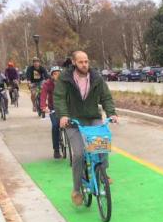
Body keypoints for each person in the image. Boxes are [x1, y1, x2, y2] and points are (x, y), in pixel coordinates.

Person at [55, 51, 118, 206]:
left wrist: (112, 113)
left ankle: (103, 172)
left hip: (92, 117)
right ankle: (76, 189)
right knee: (79, 154)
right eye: (81, 62)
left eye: (86, 61)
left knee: (102, 144)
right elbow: (59, 98)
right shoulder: (65, 78)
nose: (84, 64)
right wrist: (63, 115)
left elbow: (106, 97)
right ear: (74, 62)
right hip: (73, 120)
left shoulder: (96, 77)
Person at [40, 66, 62, 159]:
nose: (57, 75)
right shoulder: (47, 84)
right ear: (51, 75)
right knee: (55, 126)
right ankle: (56, 150)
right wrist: (43, 107)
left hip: (66, 108)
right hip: (53, 108)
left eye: (59, 73)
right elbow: (43, 95)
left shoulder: (65, 82)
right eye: (55, 74)